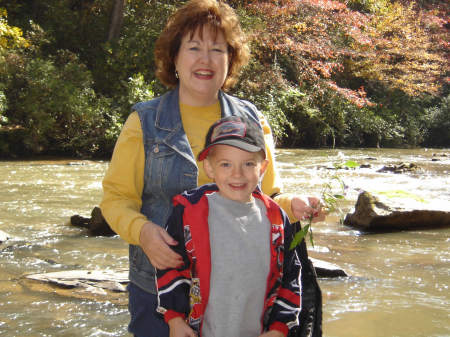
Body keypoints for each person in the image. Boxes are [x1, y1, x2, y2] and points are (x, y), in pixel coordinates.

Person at [100, 0, 324, 336]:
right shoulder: (144, 122)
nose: (205, 60)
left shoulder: (252, 120)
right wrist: (143, 233)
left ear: (229, 61)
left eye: (217, 49)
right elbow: (115, 199)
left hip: (245, 295)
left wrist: (295, 205)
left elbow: (269, 197)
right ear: (174, 58)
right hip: (163, 294)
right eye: (193, 48)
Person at [156, 115, 301, 337]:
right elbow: (170, 265)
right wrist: (174, 319)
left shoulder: (277, 220)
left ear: (262, 168)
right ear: (209, 168)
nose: (237, 174)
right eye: (226, 164)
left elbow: (291, 275)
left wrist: (280, 328)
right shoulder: (188, 212)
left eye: (248, 164)